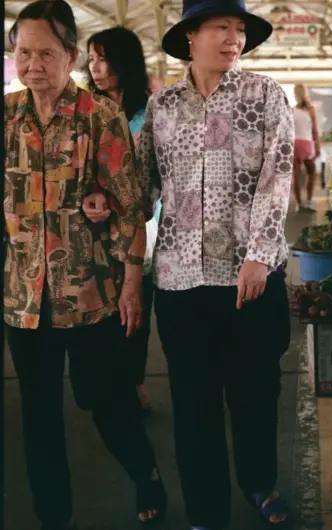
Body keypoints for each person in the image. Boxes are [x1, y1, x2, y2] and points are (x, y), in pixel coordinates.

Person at [4, 1, 166, 529]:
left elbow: (131, 208)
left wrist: (132, 286)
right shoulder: (5, 117)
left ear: (70, 55)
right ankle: (56, 518)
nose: (34, 64)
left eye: (46, 53)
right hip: (24, 299)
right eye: (23, 52)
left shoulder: (100, 116)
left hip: (93, 294)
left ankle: (147, 475)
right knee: (39, 415)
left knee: (106, 401)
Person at [138, 0, 294, 527]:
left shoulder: (265, 95)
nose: (234, 38)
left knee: (255, 390)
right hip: (181, 279)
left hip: (251, 278)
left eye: (240, 29)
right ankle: (205, 508)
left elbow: (279, 178)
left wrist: (259, 254)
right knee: (192, 401)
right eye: (221, 27)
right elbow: (144, 188)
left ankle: (260, 484)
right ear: (189, 36)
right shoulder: (161, 108)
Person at [83, 25, 161, 414]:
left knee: (136, 303)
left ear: (124, 61)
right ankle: (109, 379)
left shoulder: (149, 111)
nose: (96, 67)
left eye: (104, 57)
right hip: (95, 224)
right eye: (91, 58)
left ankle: (135, 379)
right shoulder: (83, 110)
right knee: (102, 302)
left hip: (144, 224)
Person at [292, 83, 321, 211]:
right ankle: (309, 201)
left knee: (296, 176)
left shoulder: (291, 110)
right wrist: (318, 147)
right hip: (307, 144)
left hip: (294, 144)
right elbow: (315, 130)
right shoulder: (310, 109)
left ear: (295, 95)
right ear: (306, 94)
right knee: (312, 173)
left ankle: (299, 204)